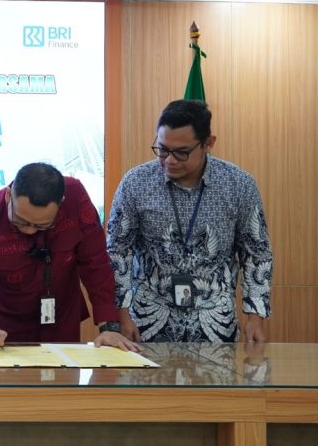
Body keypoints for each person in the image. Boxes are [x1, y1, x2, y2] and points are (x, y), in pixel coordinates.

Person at [107, 99, 272, 343]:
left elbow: (256, 254)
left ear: (208, 143)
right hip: (147, 324)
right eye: (162, 149)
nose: (169, 160)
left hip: (215, 327)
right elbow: (117, 253)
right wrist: (121, 317)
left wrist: (255, 318)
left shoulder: (239, 185)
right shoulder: (135, 183)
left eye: (181, 152)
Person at [0, 162, 139, 352]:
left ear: (61, 203)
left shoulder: (75, 199)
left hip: (61, 322)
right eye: (20, 221)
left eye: (41, 225)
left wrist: (109, 327)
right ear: (8, 195)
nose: (29, 230)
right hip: (5, 330)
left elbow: (96, 265)